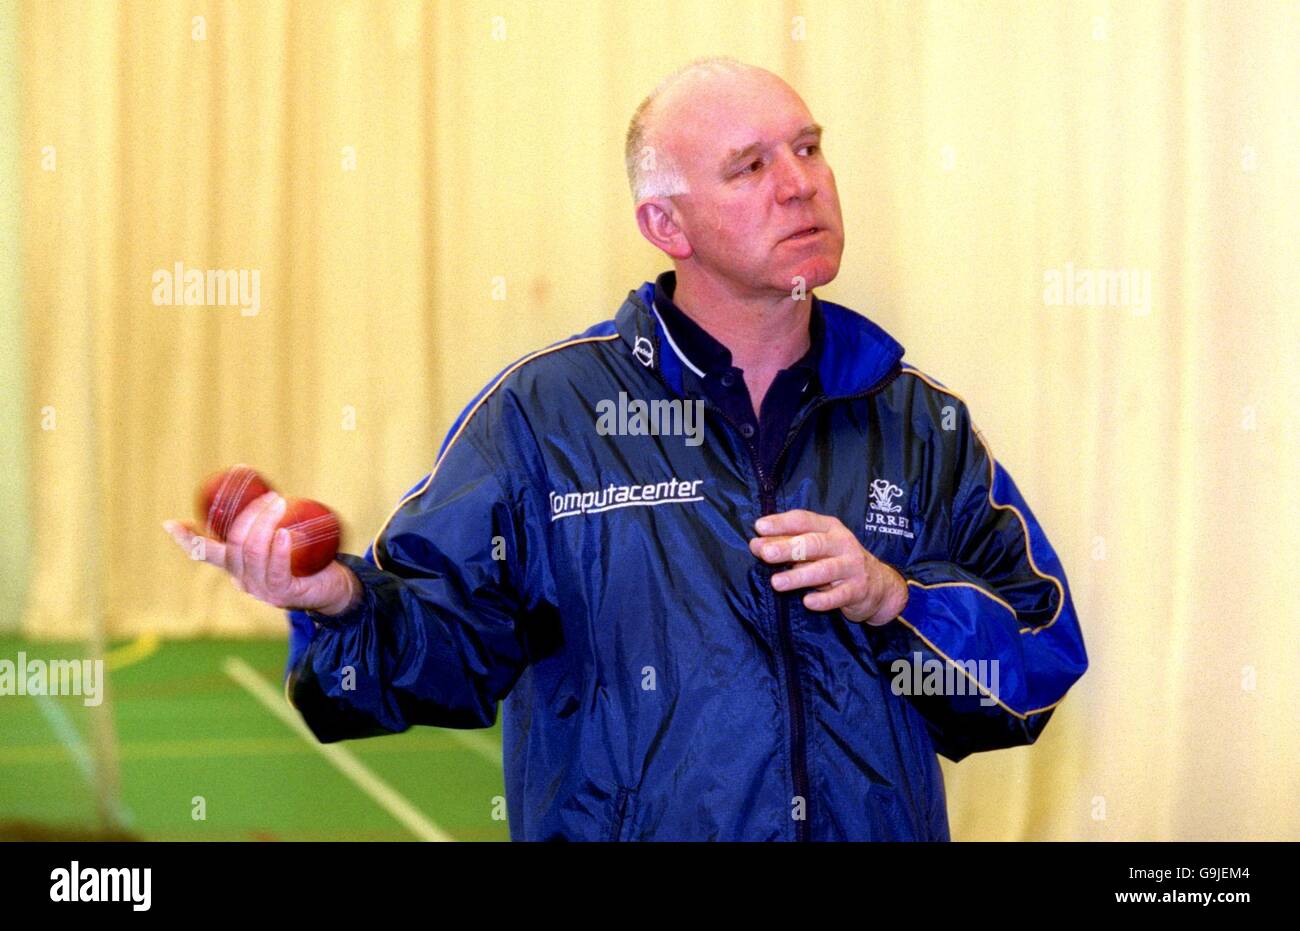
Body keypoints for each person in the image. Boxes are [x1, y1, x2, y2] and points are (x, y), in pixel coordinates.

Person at [165, 57, 1088, 841]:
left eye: (807, 147)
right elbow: (441, 644)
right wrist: (340, 601)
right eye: (749, 165)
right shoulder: (547, 416)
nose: (800, 181)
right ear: (667, 226)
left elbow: (1038, 660)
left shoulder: (918, 421)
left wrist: (900, 600)